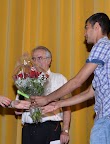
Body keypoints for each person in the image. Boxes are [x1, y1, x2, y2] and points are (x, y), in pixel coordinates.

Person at [32, 13, 110, 144]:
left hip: (106, 119)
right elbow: (89, 93)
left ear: (96, 26)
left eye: (86, 28)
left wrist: (47, 99)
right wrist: (58, 103)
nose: (85, 34)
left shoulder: (102, 45)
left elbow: (78, 81)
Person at [15, 46, 71, 144]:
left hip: (51, 128)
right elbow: (18, 109)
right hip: (28, 129)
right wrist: (20, 107)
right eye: (33, 58)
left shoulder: (59, 79)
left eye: (39, 58)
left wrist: (65, 131)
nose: (36, 61)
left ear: (49, 60)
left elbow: (67, 106)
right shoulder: (25, 80)